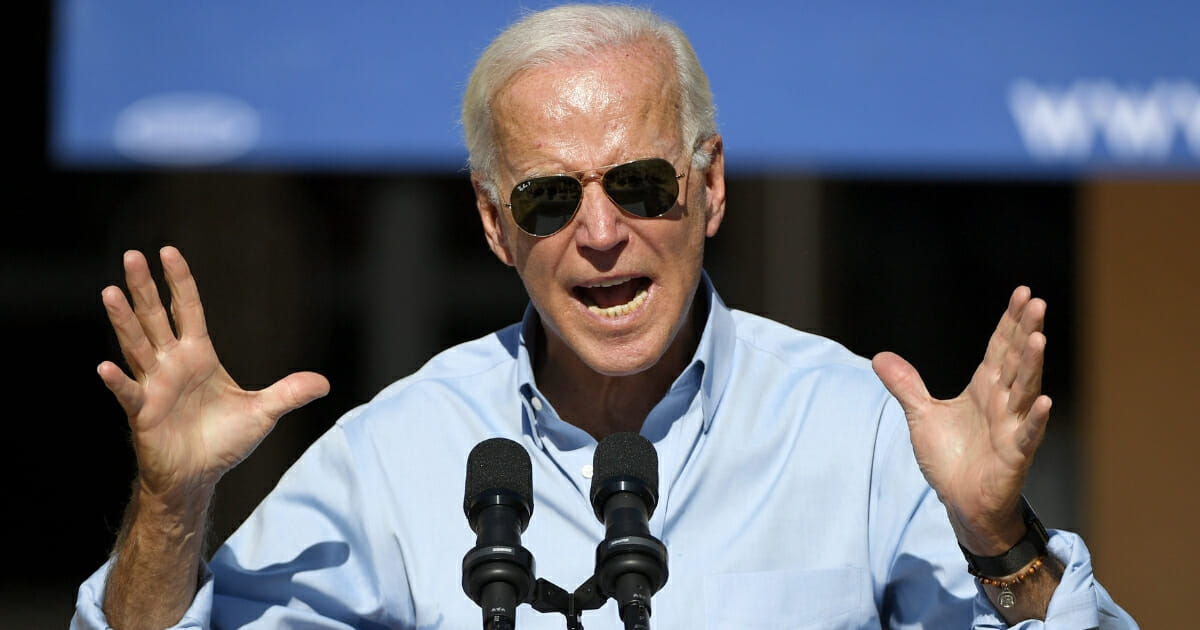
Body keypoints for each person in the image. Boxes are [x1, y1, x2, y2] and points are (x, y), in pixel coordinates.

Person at [73, 4, 1137, 629]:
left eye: (638, 185)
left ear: (710, 189)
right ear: (495, 227)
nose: (599, 233)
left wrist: (1002, 541)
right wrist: (172, 503)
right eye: (548, 197)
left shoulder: (859, 431)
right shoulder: (397, 453)